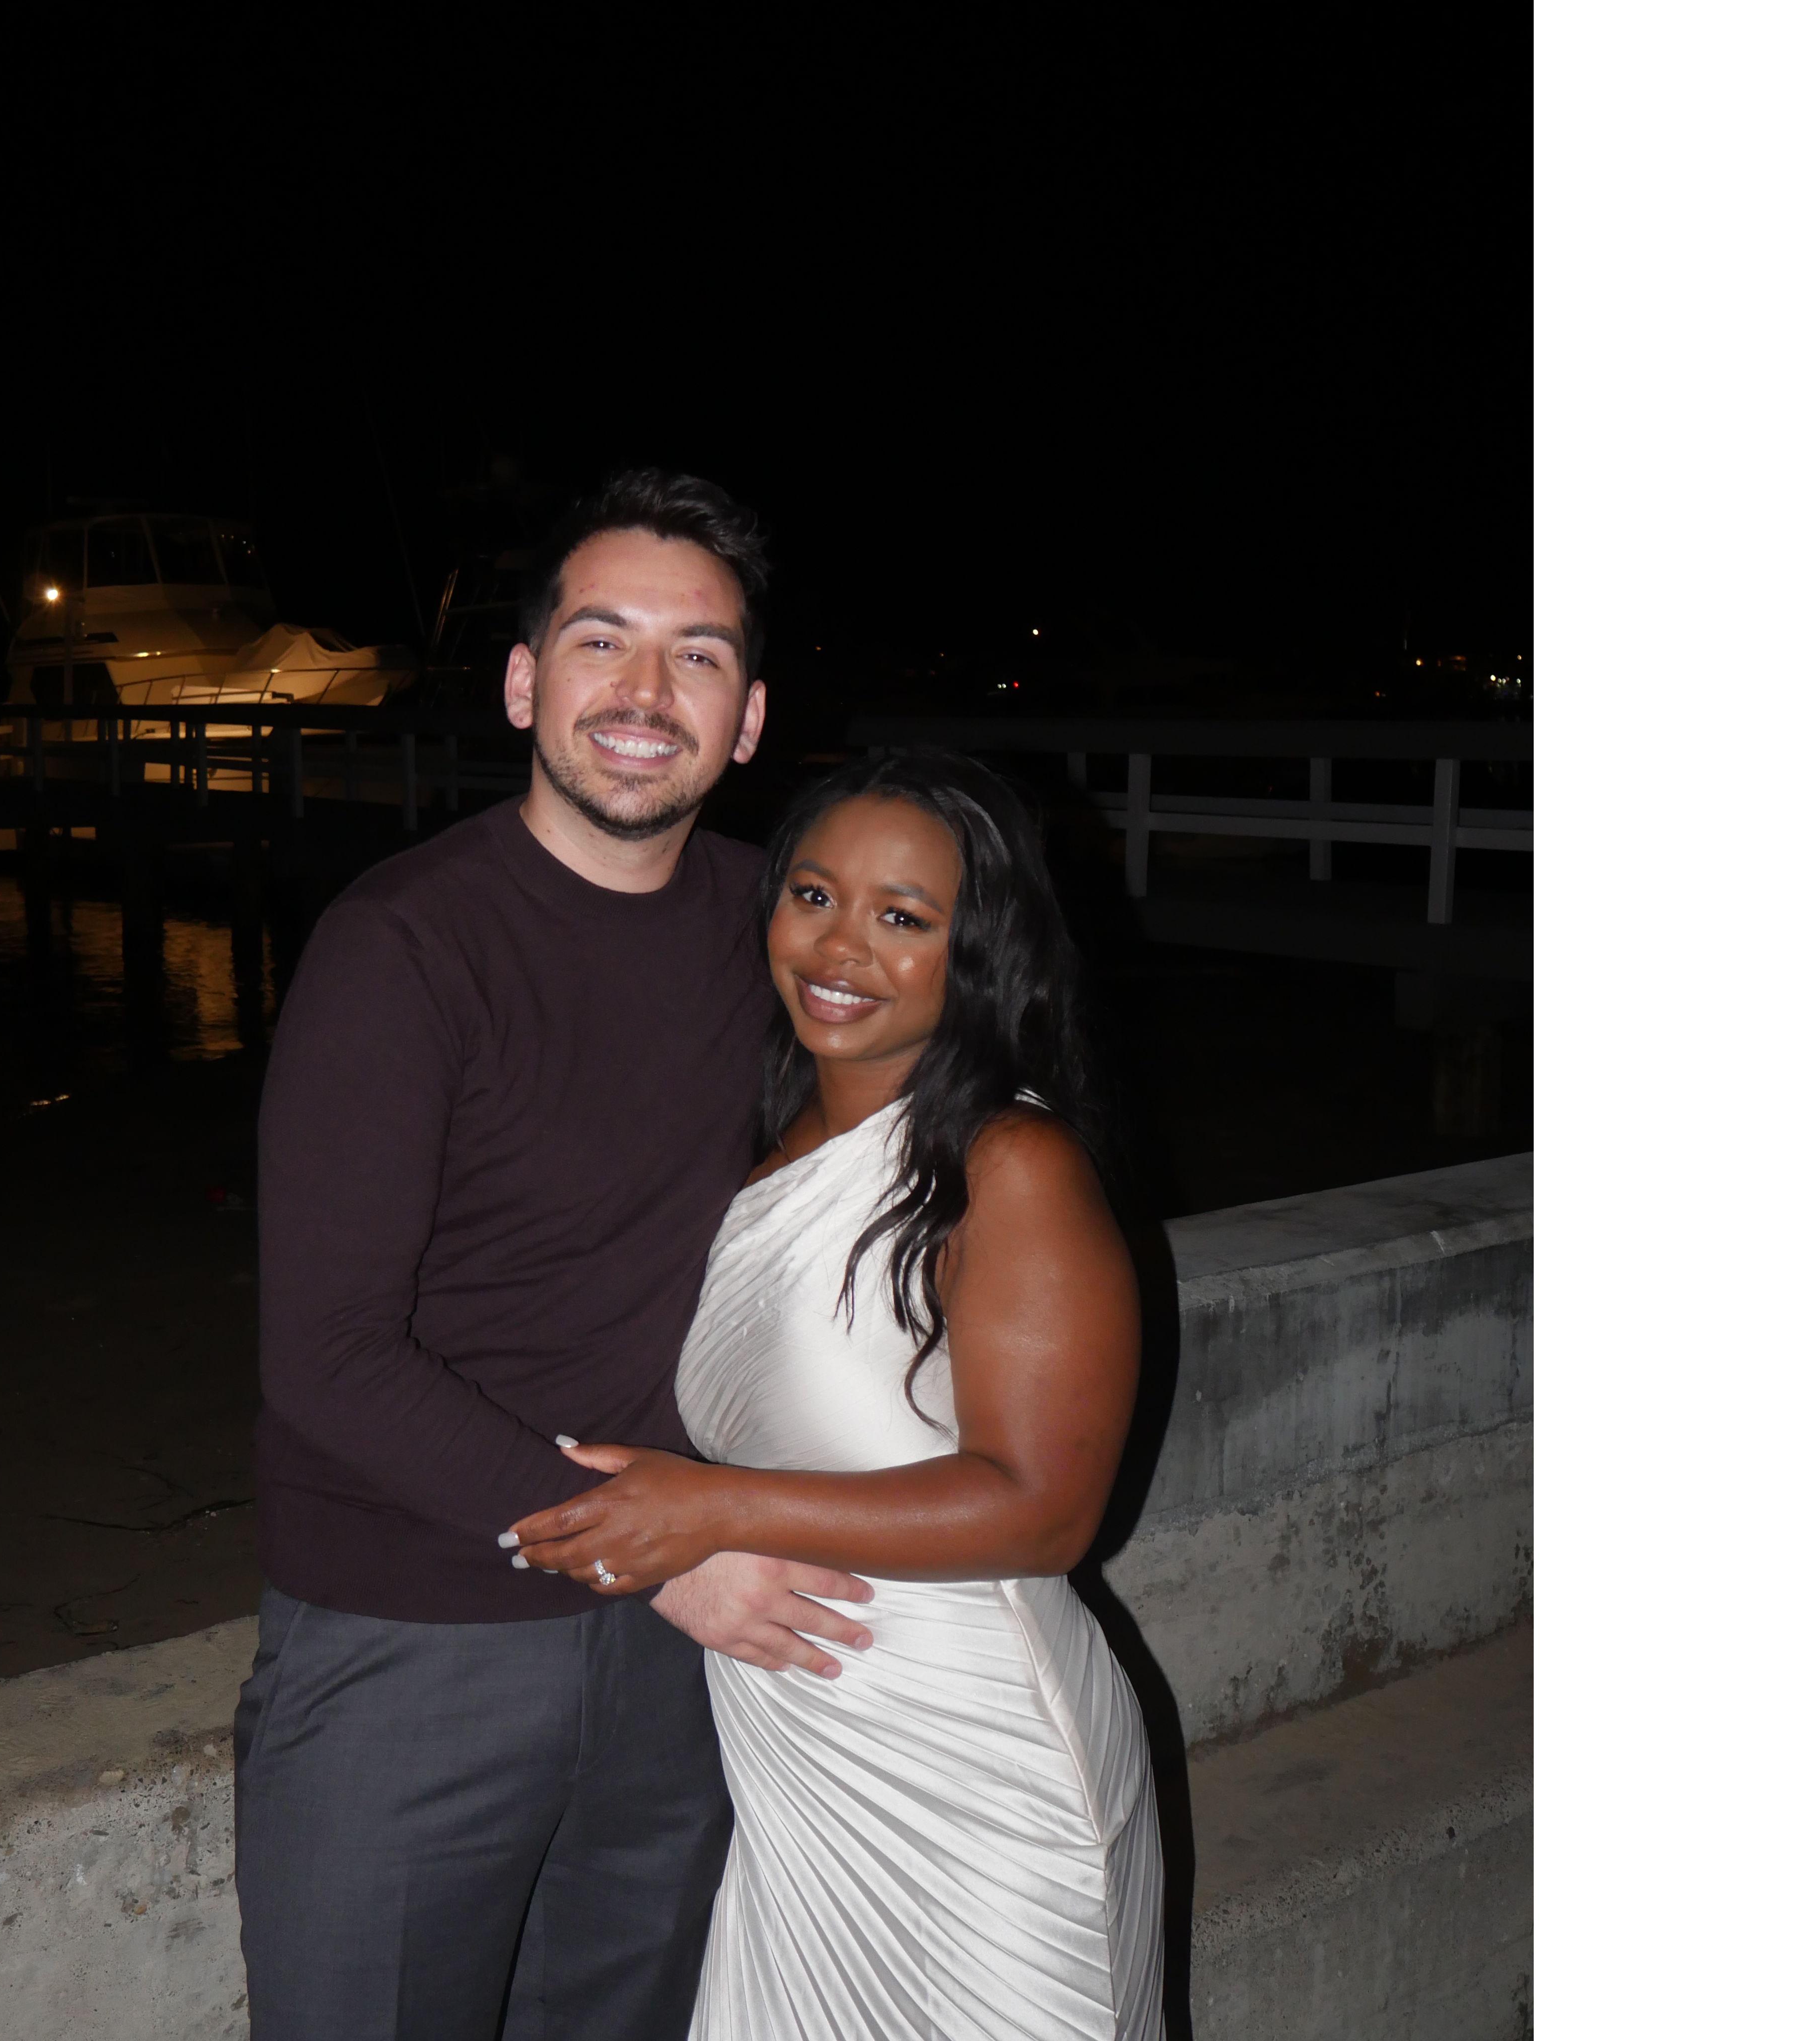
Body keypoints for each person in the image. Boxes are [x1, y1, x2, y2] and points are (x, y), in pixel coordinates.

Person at [234, 470, 877, 2041]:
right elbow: (327, 1355)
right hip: (417, 1637)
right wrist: (652, 1550)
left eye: (699, 656)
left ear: (749, 720)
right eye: (604, 643)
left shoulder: (783, 938)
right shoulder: (406, 946)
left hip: (678, 1656)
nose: (646, 694)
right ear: (526, 682)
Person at [507, 749, 1166, 2040]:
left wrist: (710, 1511)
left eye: (902, 918)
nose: (840, 947)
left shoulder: (1009, 1164)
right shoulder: (770, 1142)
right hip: (801, 1758)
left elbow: (1044, 1511)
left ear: (977, 950)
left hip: (978, 1773)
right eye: (813, 895)